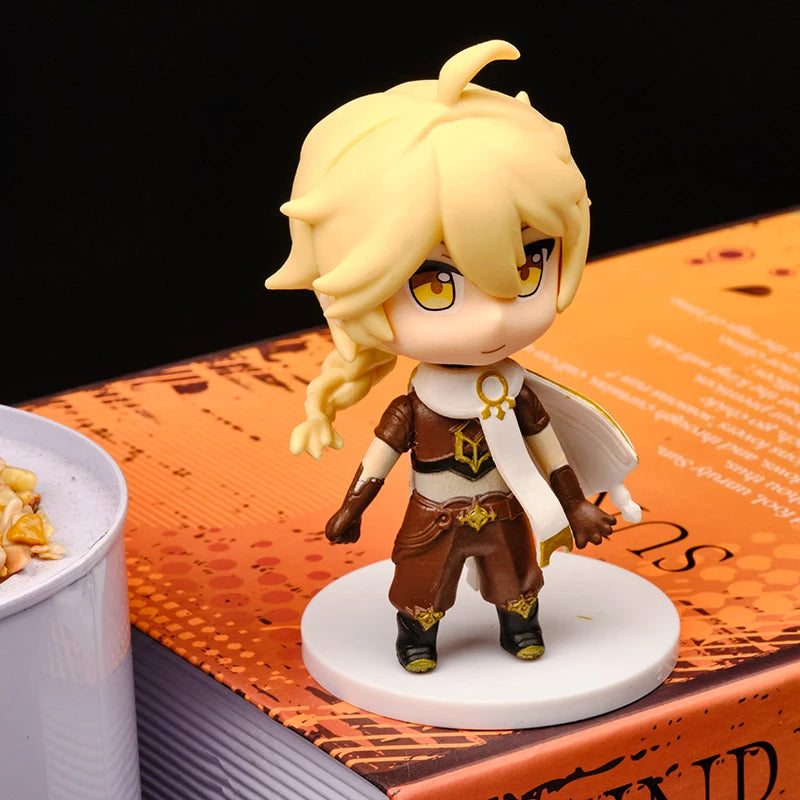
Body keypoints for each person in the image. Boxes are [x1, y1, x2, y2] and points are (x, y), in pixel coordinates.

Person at [267, 40, 640, 673]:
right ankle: (417, 639)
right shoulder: (417, 406)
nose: (494, 317)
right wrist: (352, 506)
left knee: (517, 579)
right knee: (421, 585)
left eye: (529, 264)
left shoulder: (516, 394)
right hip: (432, 514)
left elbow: (549, 450)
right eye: (436, 284)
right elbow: (379, 459)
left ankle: (519, 626)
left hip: (503, 508)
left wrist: (576, 503)